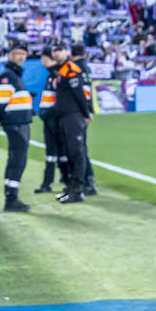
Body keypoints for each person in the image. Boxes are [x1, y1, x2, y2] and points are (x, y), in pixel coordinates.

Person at [0, 44, 33, 212]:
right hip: (15, 123)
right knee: (18, 160)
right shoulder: (7, 76)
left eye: (23, 54)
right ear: (10, 56)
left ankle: (11, 196)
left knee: (16, 159)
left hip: (21, 122)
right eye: (17, 54)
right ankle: (11, 198)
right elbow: (1, 101)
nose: (21, 57)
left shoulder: (15, 75)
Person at [50, 45, 92, 204]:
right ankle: (70, 187)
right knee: (68, 154)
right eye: (55, 50)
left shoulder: (71, 69)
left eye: (60, 49)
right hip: (63, 116)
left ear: (66, 52)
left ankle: (78, 190)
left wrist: (86, 113)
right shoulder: (60, 70)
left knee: (76, 152)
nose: (56, 52)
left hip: (73, 116)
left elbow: (79, 93)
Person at [33, 46, 65, 194]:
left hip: (54, 120)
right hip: (51, 119)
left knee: (56, 152)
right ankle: (51, 181)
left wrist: (48, 113)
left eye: (42, 57)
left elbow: (60, 99)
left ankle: (54, 181)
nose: (41, 61)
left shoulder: (56, 74)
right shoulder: (51, 74)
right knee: (53, 152)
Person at [71, 43, 98, 195]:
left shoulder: (74, 68)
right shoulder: (87, 68)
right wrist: (90, 110)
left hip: (77, 111)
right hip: (85, 110)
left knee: (79, 148)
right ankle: (88, 180)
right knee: (82, 146)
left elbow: (78, 92)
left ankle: (87, 180)